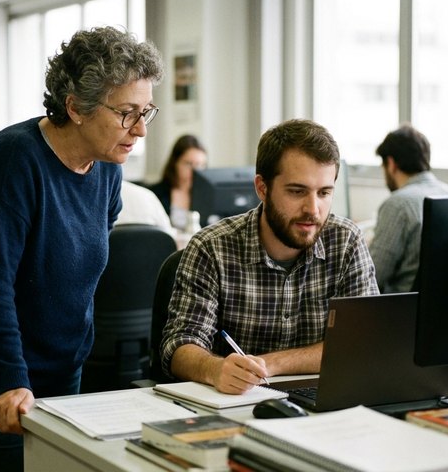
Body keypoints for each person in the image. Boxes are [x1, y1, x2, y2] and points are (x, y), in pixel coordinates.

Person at [0, 27, 164, 471]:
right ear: (75, 108)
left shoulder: (107, 165)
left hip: (61, 364)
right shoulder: (13, 160)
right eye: (127, 113)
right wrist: (9, 381)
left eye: (146, 110)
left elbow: (80, 265)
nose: (141, 130)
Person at [160, 119, 379, 394]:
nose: (313, 209)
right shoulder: (211, 247)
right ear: (262, 188)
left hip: (322, 406)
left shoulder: (346, 242)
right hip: (233, 405)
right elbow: (179, 346)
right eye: (297, 191)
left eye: (324, 193)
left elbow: (363, 344)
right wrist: (214, 369)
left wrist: (270, 363)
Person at [369, 123, 448, 293]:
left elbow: (372, 276)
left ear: (391, 164)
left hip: (400, 311)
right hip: (446, 312)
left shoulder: (398, 204)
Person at [148, 134, 207, 230]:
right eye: (189, 164)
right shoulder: (155, 193)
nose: (195, 171)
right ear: (175, 163)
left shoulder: (207, 195)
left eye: (200, 165)